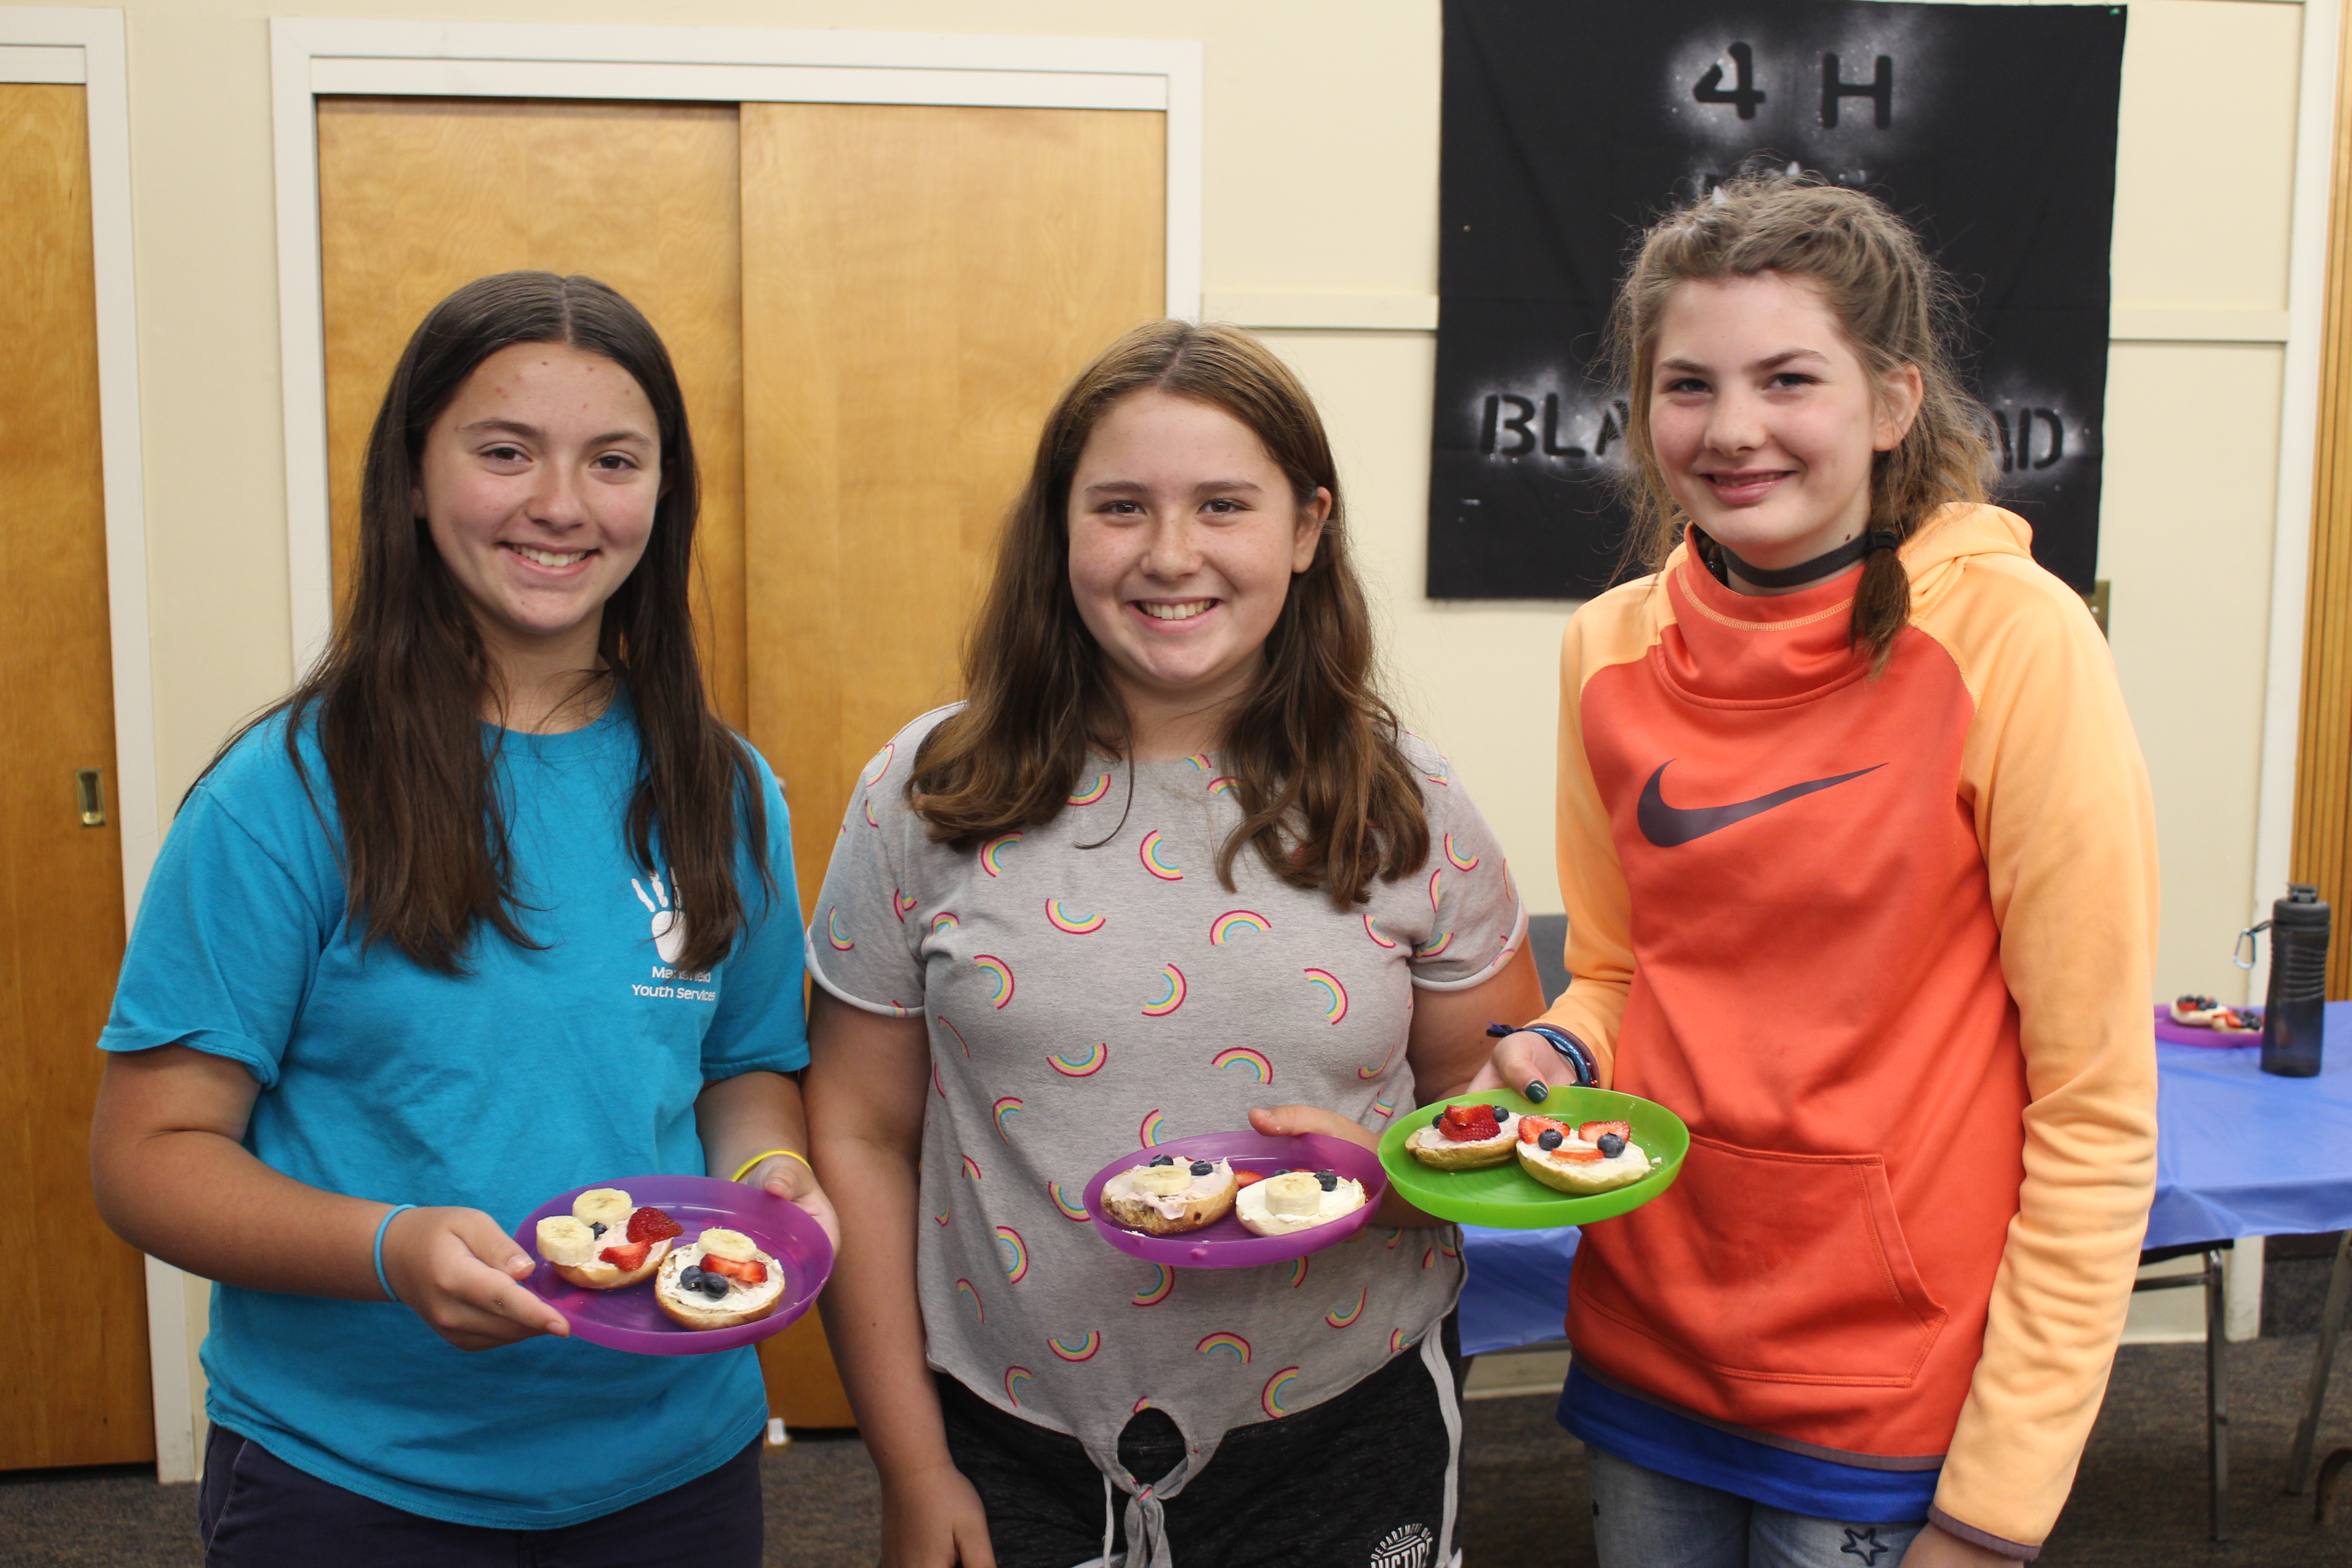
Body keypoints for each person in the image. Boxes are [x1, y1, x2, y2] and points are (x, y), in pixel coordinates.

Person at [88, 272, 833, 1565]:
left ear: (664, 493)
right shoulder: (286, 794)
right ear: (415, 476)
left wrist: (772, 1185)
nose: (560, 505)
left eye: (614, 460)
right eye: (505, 453)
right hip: (358, 1480)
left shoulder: (725, 790)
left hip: (677, 1464)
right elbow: (151, 1154)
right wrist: (390, 1250)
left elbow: (742, 1071)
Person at [1480, 174, 2159, 1567]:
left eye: (1789, 378)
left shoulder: (2016, 645)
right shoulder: (1607, 647)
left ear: (1893, 401)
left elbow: (2095, 1111)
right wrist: (1558, 1039)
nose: (1733, 431)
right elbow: (1623, 967)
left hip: (1887, 1389)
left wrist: (1996, 1506)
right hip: (1651, 1340)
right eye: (1689, 386)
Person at [805, 320, 1545, 1568]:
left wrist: (1383, 1179)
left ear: (1307, 530)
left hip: (1344, 1424)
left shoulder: (1407, 806)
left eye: (1222, 506)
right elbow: (863, 1136)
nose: (1170, 555)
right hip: (1004, 1433)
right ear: (1059, 531)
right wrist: (910, 1459)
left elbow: (1488, 1114)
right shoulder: (922, 796)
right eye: (1121, 508)